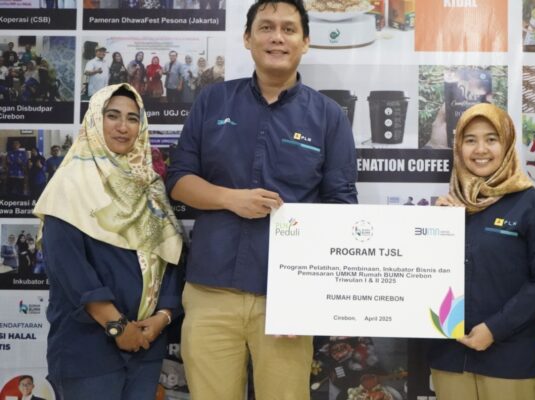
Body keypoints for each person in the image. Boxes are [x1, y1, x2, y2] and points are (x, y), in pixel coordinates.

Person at [166, 0, 357, 398]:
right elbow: (179, 180)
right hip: (211, 292)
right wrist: (230, 199)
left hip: (286, 298)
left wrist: (307, 296)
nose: (277, 38)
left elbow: (340, 207)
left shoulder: (329, 116)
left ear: (305, 41)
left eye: (288, 29)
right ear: (247, 38)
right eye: (266, 27)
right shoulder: (212, 100)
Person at [33, 84, 184, 400]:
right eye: (112, 116)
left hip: (146, 345)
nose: (123, 127)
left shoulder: (150, 187)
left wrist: (163, 317)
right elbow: (69, 266)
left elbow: (169, 258)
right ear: (94, 121)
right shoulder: (70, 184)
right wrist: (117, 326)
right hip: (89, 348)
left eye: (132, 118)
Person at [429, 103, 535, 400]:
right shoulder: (448, 206)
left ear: (508, 143)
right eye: (470, 140)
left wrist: (495, 328)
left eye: (492, 139)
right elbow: (425, 276)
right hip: (450, 359)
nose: (481, 149)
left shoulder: (531, 204)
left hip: (509, 360)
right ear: (458, 147)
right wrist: (437, 229)